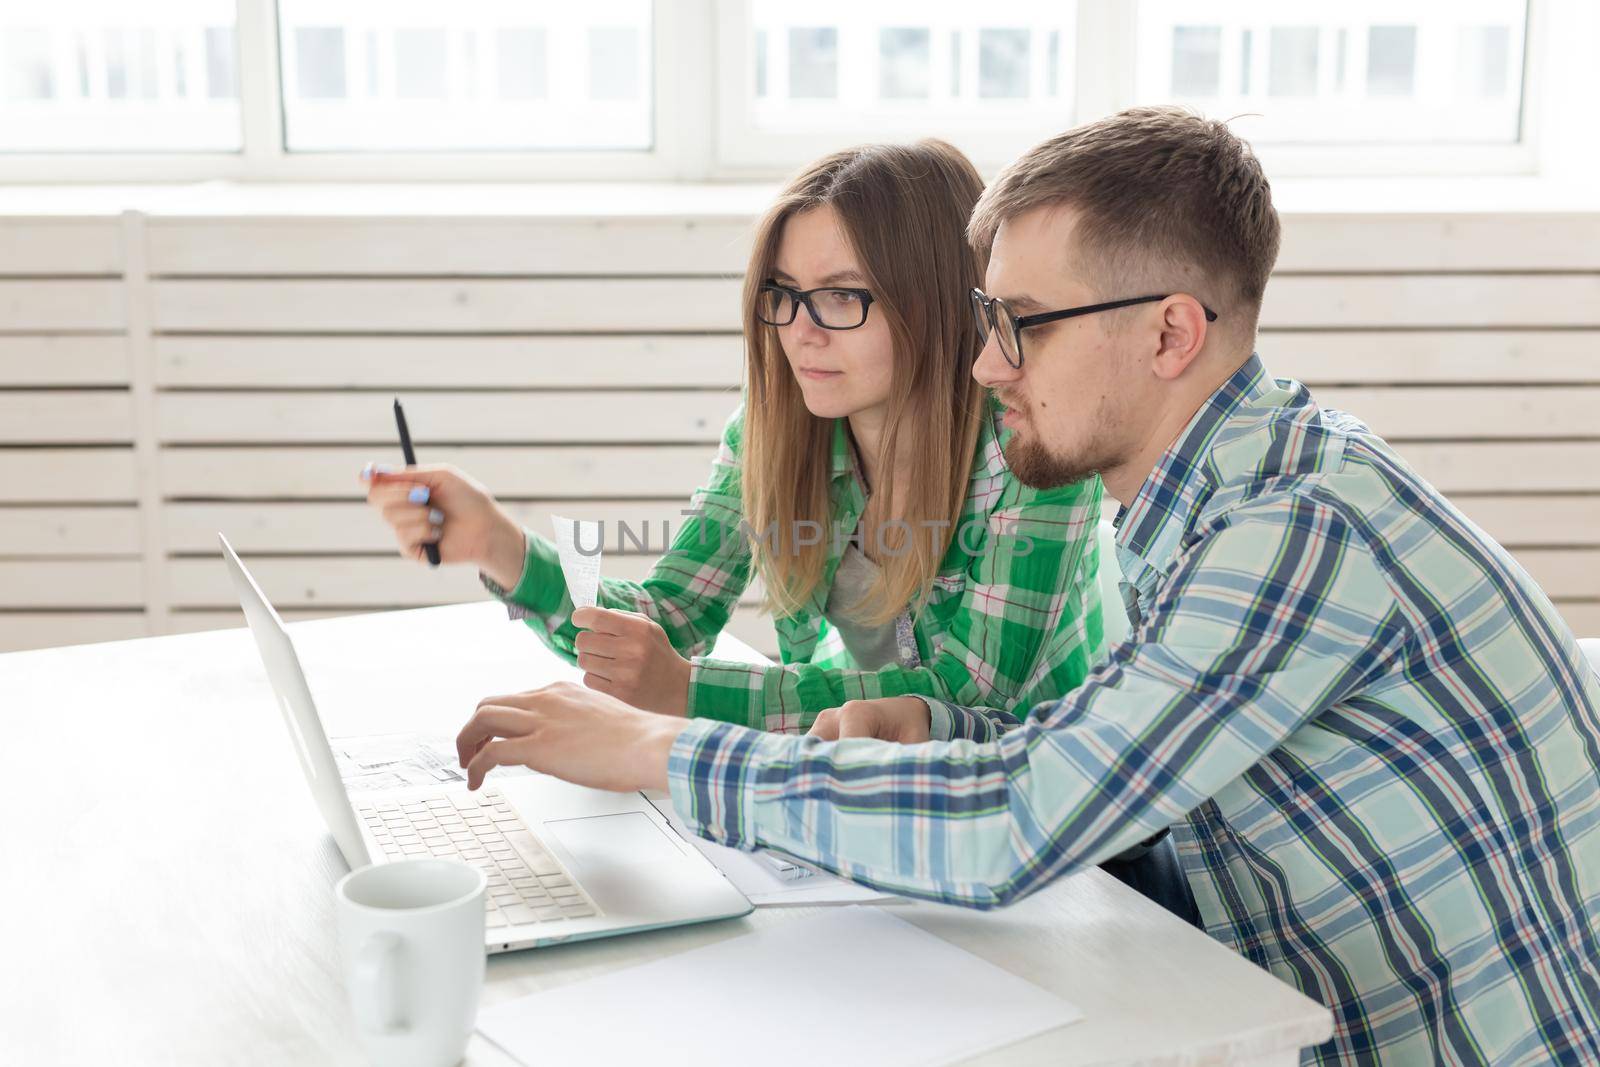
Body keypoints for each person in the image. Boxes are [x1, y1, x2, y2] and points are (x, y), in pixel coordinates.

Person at [448, 108, 1600, 1065]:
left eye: (1021, 325)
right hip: (1265, 981)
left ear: (1169, 334)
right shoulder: (1202, 500)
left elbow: (1021, 818)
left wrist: (662, 745)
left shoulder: (1292, 530)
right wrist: (937, 724)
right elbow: (1104, 744)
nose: (988, 358)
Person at [361, 140, 1107, 735]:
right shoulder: (776, 428)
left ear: (937, 301)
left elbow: (971, 690)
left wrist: (690, 692)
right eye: (783, 295)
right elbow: (669, 618)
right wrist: (502, 546)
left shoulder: (1032, 441)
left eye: (842, 295)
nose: (800, 332)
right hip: (871, 779)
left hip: (1058, 819)